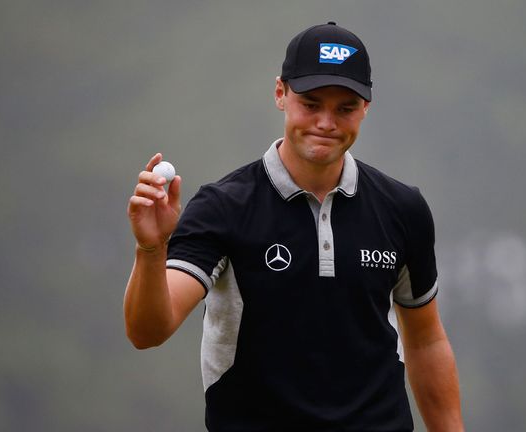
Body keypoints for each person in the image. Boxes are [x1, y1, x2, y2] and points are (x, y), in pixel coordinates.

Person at [124, 22, 463, 431]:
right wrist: (151, 249)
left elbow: (426, 342)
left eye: (345, 108)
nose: (326, 122)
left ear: (366, 107)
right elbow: (148, 331)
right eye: (311, 104)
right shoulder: (223, 207)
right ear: (280, 94)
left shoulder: (402, 209)